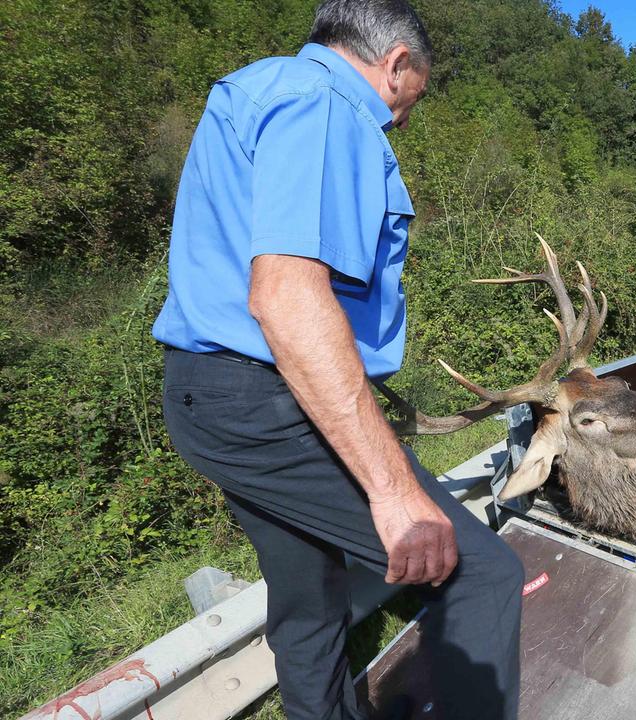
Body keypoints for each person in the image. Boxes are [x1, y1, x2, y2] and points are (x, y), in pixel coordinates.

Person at [151, 2, 523, 718]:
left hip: (205, 396)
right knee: (479, 575)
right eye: (414, 98)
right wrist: (392, 494)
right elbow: (287, 300)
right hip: (270, 404)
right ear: (397, 64)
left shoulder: (257, 88)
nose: (407, 120)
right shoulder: (326, 106)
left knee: (311, 603)